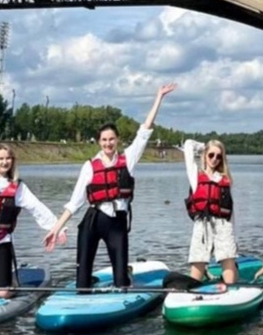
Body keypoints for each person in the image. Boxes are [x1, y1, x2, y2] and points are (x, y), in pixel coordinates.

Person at [44, 83, 176, 289]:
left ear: (117, 140)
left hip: (117, 223)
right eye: (104, 140)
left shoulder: (128, 159)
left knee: (120, 283)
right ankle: (85, 285)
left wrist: (159, 97)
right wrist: (56, 229)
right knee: (82, 282)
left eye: (111, 139)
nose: (108, 143)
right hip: (93, 221)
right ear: (99, 141)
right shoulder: (89, 166)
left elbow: (144, 132)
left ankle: (124, 275)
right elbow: (74, 203)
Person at [0, 99, 64, 299]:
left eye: (8, 158)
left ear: (13, 161)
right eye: (0, 158)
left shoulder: (18, 188)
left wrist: (57, 228)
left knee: (3, 293)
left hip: (0, 241)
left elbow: (37, 208)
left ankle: (8, 283)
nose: (4, 162)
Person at [181, 137, 239, 284]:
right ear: (205, 156)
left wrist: (232, 234)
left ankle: (231, 288)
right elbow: (188, 145)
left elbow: (230, 209)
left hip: (223, 224)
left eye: (219, 156)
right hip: (202, 224)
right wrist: (204, 147)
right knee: (198, 260)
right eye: (211, 155)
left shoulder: (225, 180)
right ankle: (193, 290)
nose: (214, 159)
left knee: (228, 258)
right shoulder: (195, 176)